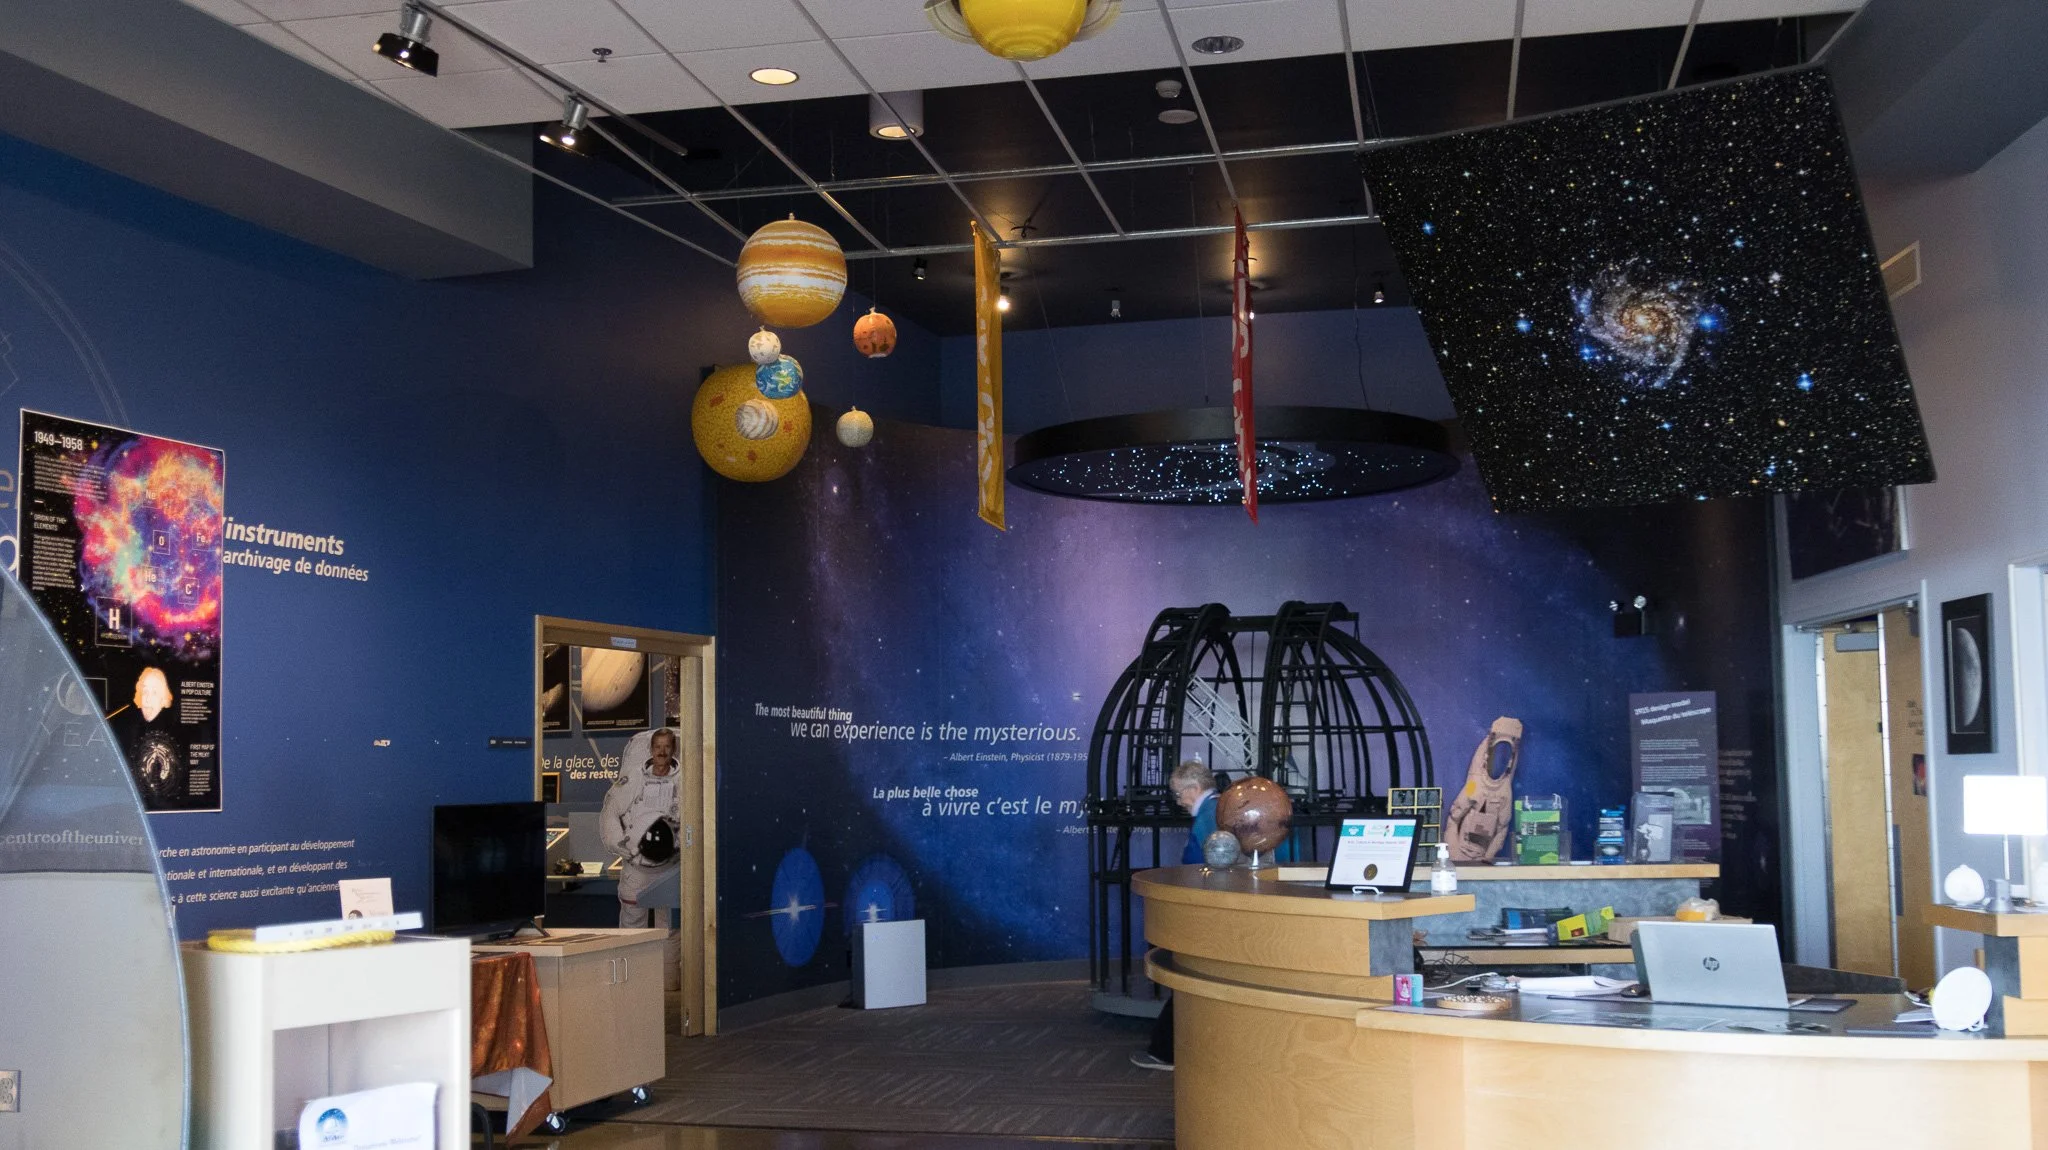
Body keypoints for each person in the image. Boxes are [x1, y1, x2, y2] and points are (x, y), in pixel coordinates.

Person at [1133, 759, 1220, 1071]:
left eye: (1179, 794)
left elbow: (1204, 865)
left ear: (1194, 789)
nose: (1179, 802)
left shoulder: (1208, 816)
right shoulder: (1219, 810)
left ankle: (1166, 1051)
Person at [600, 726, 683, 929]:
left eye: (666, 747)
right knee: (632, 927)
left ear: (673, 750)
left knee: (670, 929)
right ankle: (633, 962)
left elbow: (695, 818)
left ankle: (670, 963)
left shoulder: (684, 781)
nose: (662, 752)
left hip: (670, 867)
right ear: (651, 750)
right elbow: (611, 809)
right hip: (637, 867)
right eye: (657, 747)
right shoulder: (634, 779)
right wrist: (617, 843)